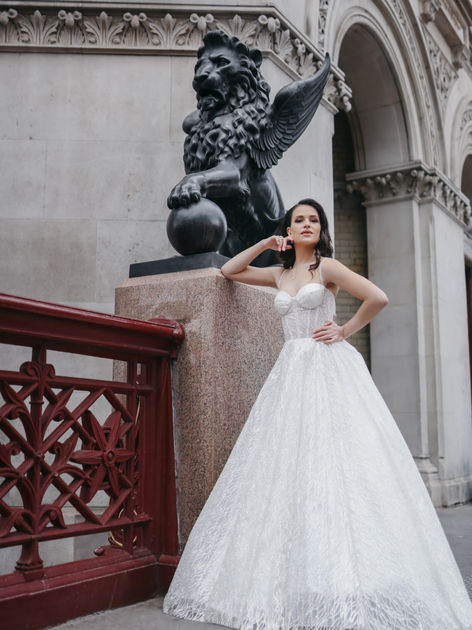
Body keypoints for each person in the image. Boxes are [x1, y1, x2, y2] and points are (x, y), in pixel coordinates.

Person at [163, 198, 472, 629]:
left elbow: (377, 297)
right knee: (290, 470)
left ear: (321, 229)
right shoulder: (279, 273)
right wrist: (265, 243)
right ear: (289, 230)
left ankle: (345, 577)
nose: (306, 224)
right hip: (289, 374)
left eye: (313, 219)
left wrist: (343, 329)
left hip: (328, 369)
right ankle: (296, 574)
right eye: (298, 220)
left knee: (336, 465)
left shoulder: (326, 268)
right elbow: (229, 271)